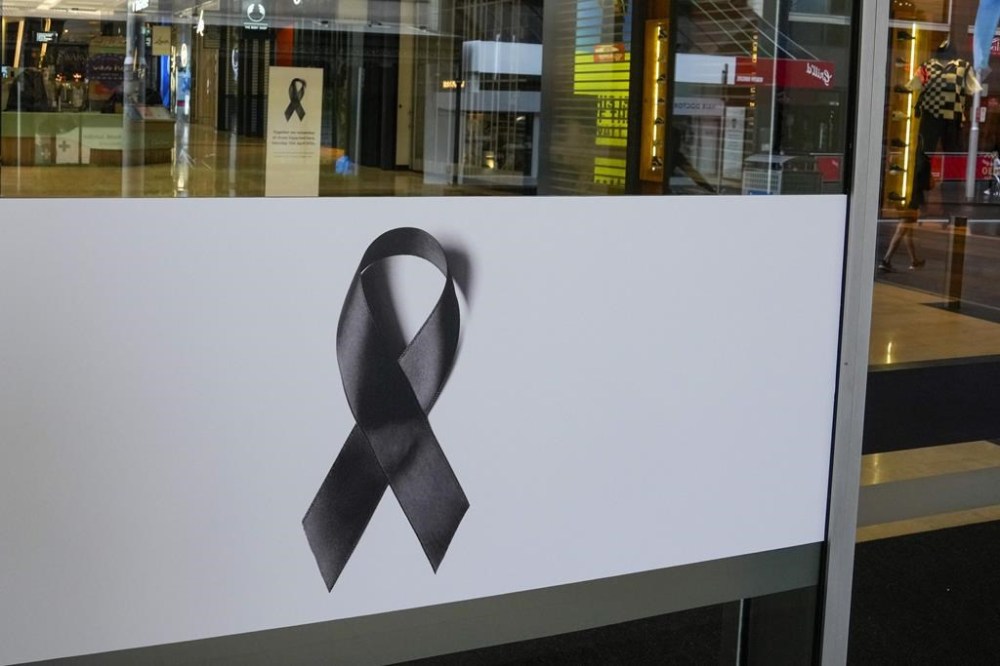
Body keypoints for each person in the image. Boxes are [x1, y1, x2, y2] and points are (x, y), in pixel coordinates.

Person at [879, 38, 979, 272]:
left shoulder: (926, 66)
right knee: (954, 158)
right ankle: (952, 199)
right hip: (952, 118)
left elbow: (913, 86)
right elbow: (974, 89)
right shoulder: (964, 67)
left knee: (922, 154)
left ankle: (916, 186)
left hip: (931, 117)